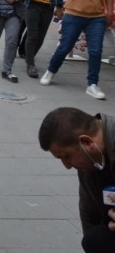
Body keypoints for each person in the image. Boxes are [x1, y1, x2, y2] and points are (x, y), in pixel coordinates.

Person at [41, 0, 115, 99]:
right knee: (65, 46)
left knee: (96, 51)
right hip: (75, 13)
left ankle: (92, 84)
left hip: (96, 15)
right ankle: (51, 70)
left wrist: (109, 12)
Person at [38, 108, 115, 253]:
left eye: (66, 156)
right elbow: (89, 214)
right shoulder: (88, 166)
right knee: (95, 240)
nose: (67, 166)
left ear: (87, 142)